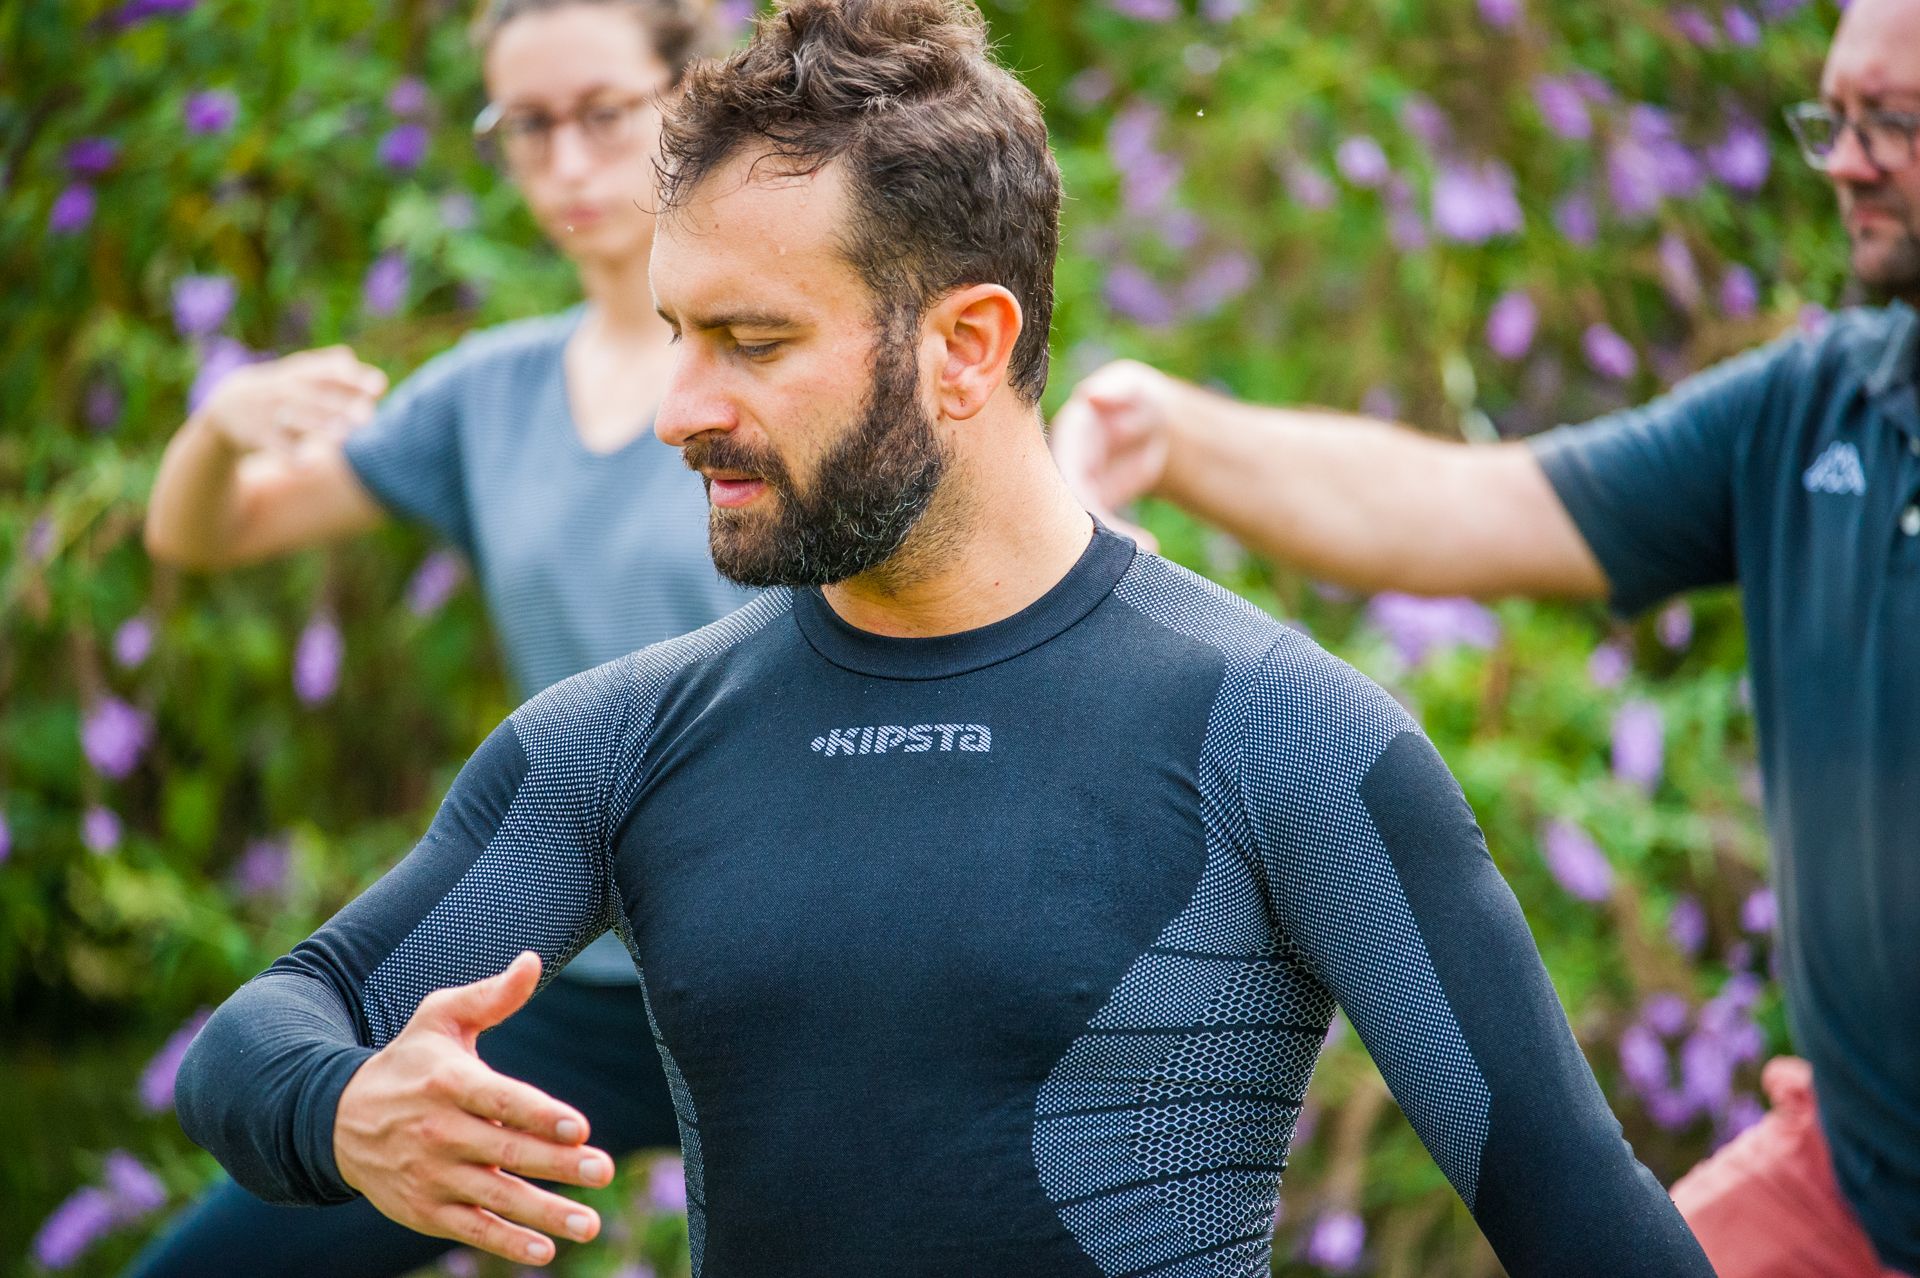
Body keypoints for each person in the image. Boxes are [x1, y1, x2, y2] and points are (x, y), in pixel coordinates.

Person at [171, 2, 1715, 1274]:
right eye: (675, 335)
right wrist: (345, 1108)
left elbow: (1589, 1226)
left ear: (966, 346)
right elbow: (265, 1032)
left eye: (753, 342)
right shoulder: (621, 742)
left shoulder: (1284, 738)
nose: (678, 411)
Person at [1050, 1, 1920, 1274]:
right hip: (1856, 1177)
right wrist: (1174, 436)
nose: (1846, 160)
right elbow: (1476, 506)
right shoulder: (1814, 410)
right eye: (1831, 120)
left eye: (1891, 121)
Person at [132, 2, 749, 1274]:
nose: (566, 165)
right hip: (573, 987)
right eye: (527, 128)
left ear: (689, 95)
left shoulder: (775, 363)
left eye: (602, 115)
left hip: (799, 984)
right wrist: (218, 426)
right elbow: (207, 534)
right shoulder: (491, 393)